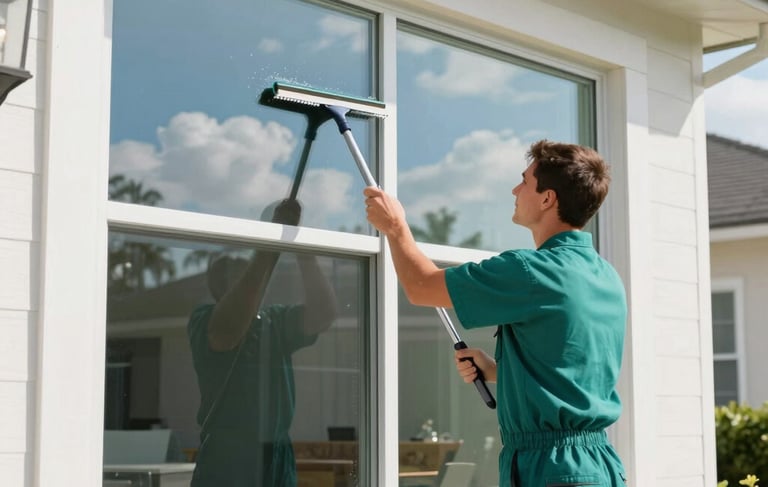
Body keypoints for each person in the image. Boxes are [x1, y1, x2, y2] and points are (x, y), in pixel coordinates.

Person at [363, 140, 627, 486]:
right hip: (598, 465)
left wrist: (395, 227)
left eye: (525, 181)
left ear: (548, 199)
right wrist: (501, 372)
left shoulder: (531, 271)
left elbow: (421, 286)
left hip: (550, 469)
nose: (515, 189)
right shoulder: (605, 275)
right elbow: (572, 371)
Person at [187, 198, 337, 487]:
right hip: (230, 458)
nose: (247, 280)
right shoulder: (203, 320)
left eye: (242, 271)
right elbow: (227, 331)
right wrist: (269, 245)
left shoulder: (273, 320)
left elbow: (323, 314)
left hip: (277, 454)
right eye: (229, 272)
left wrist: (300, 247)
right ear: (214, 284)